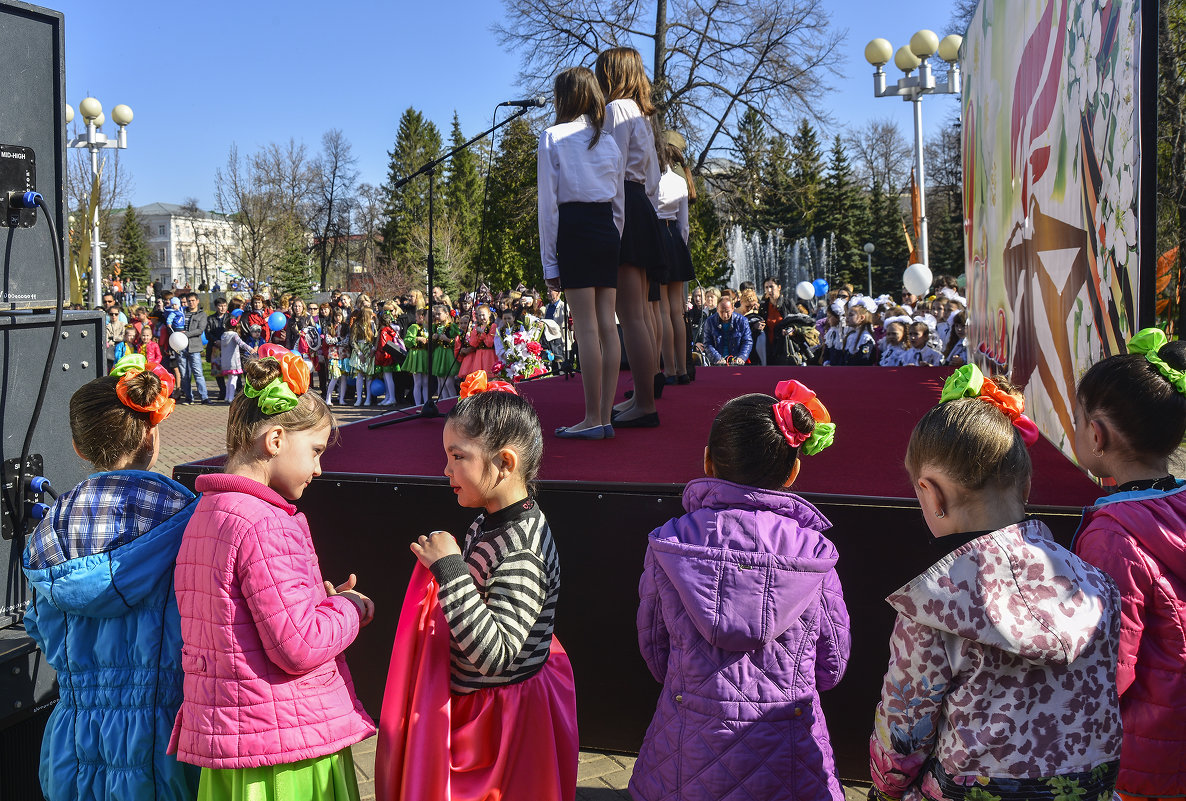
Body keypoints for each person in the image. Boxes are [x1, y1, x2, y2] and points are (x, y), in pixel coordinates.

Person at [869, 365, 1122, 801]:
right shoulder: (1097, 585)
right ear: (1025, 482)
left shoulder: (933, 606)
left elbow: (904, 734)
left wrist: (886, 789)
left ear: (932, 494)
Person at [170, 352, 376, 798]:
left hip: (232, 742)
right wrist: (349, 609)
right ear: (277, 439)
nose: (319, 468)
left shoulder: (207, 514)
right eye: (316, 451)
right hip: (286, 750)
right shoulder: (265, 523)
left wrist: (316, 605)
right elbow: (298, 645)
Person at [631, 382, 848, 801]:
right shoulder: (814, 552)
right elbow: (832, 664)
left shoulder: (670, 542)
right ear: (793, 471)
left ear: (709, 461)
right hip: (790, 747)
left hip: (687, 744)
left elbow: (655, 649)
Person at [376, 379, 578, 801]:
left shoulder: (521, 550)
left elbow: (496, 654)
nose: (446, 470)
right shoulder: (487, 521)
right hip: (486, 709)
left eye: (457, 457)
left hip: (501, 722)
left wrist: (449, 570)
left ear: (504, 462)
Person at [22, 355, 198, 801]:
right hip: (167, 746)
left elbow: (37, 627)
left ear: (79, 448)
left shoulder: (47, 533)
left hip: (74, 744)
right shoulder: (189, 520)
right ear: (152, 437)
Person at [1072, 328, 1186, 801]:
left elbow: (1104, 669)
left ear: (1097, 434)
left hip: (1140, 763)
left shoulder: (1112, 536)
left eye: (1078, 422)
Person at [538, 65, 625, 440]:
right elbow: (619, 203)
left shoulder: (553, 136)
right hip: (606, 229)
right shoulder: (609, 141)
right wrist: (614, 238)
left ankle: (592, 418)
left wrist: (549, 261)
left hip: (575, 227)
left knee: (587, 328)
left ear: (565, 97)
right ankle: (603, 417)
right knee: (607, 324)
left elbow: (548, 205)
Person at [597, 46, 663, 428]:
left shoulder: (618, 110)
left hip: (623, 204)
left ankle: (645, 404)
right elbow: (651, 177)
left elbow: (612, 166)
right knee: (636, 313)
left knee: (631, 314)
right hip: (638, 204)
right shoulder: (637, 112)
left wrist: (615, 224)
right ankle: (642, 397)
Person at [177, 293, 211, 404]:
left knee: (198, 373)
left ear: (197, 301)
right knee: (184, 374)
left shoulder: (202, 315)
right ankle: (188, 397)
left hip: (194, 347)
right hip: (181, 348)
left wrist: (185, 334)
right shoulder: (182, 312)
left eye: (192, 300)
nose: (190, 303)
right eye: (189, 300)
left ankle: (204, 397)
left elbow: (200, 330)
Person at [702, 296, 752, 365]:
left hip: (737, 361)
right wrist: (717, 358)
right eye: (721, 312)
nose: (725, 315)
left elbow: (747, 341)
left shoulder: (742, 321)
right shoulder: (710, 321)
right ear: (717, 309)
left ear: (732, 308)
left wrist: (742, 356)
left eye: (727, 312)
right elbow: (707, 343)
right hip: (717, 362)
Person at [218, 315, 256, 401]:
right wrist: (250, 349)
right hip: (233, 361)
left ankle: (227, 396)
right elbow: (241, 343)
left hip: (225, 361)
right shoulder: (234, 335)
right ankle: (231, 398)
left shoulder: (223, 335)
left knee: (229, 379)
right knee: (233, 379)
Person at [373, 303, 403, 406]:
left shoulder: (384, 331)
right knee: (387, 377)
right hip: (388, 356)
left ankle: (391, 397)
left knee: (388, 377)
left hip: (385, 356)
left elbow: (382, 344)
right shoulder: (391, 330)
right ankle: (388, 397)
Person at [429, 303, 461, 400]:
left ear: (447, 314)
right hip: (439, 354)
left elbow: (457, 342)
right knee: (441, 382)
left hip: (448, 355)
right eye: (436, 314)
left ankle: (453, 403)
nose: (437, 316)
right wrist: (433, 338)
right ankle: (444, 403)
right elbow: (434, 344)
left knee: (448, 382)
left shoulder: (452, 326)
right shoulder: (436, 327)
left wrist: (447, 339)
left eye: (439, 314)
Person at [402, 307, 431, 407]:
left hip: (425, 355)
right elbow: (407, 340)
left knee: (426, 382)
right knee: (418, 382)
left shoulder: (429, 327)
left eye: (417, 317)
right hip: (417, 355)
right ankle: (418, 404)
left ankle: (426, 403)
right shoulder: (414, 327)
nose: (416, 318)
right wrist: (417, 338)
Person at [350, 308, 377, 407]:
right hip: (360, 349)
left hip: (369, 350)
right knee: (360, 375)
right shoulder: (357, 325)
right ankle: (359, 398)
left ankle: (368, 398)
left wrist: (373, 349)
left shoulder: (373, 324)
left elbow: (376, 338)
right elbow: (352, 341)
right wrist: (359, 353)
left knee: (369, 376)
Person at [840, 296, 877, 366]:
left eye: (851, 315)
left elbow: (865, 359)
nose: (847, 317)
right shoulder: (850, 335)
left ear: (862, 317)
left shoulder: (866, 338)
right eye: (847, 315)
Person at [323, 308, 350, 406]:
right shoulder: (330, 327)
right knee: (335, 376)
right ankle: (328, 398)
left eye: (339, 315)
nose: (338, 318)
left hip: (344, 354)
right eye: (336, 316)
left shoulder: (346, 327)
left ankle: (341, 399)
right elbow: (328, 340)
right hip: (334, 355)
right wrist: (338, 339)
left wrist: (336, 342)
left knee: (343, 378)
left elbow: (346, 341)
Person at [206, 297, 231, 401]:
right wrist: (216, 341)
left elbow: (234, 330)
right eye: (220, 306)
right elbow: (208, 333)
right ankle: (222, 391)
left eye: (224, 305)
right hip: (216, 347)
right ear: (216, 307)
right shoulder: (211, 319)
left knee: (231, 370)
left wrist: (225, 341)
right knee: (217, 371)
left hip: (229, 347)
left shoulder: (230, 317)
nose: (222, 308)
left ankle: (231, 392)